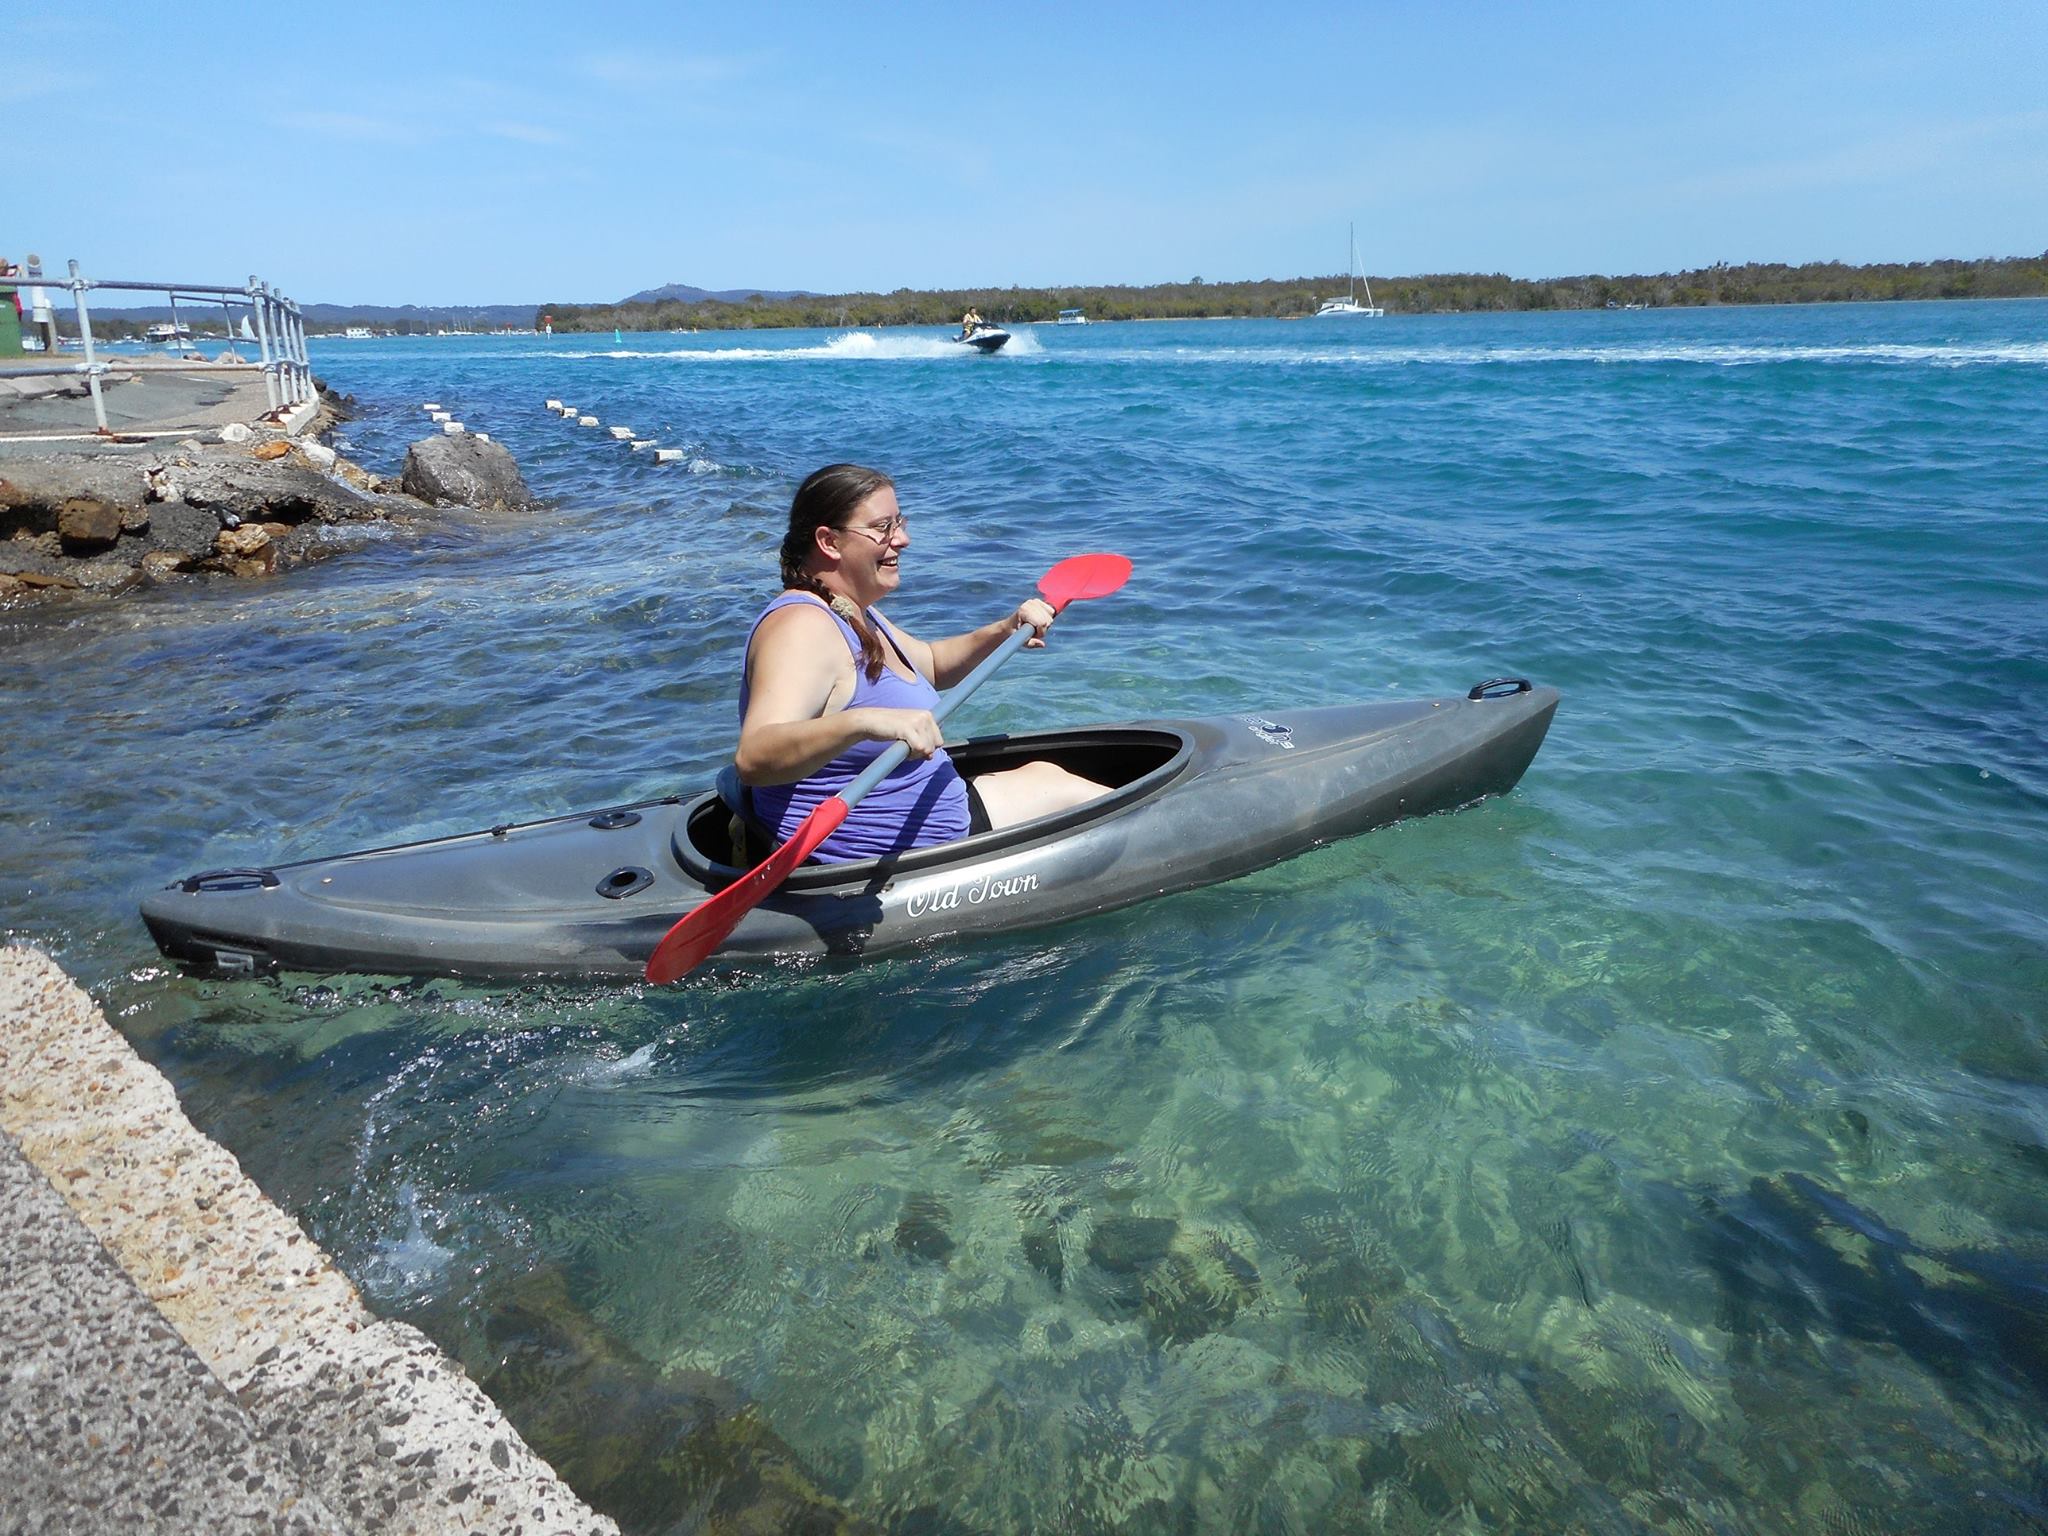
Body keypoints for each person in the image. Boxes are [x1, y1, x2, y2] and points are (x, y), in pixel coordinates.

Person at [735, 463, 1109, 863]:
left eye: (900, 522)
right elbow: (755, 757)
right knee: (1066, 791)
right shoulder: (803, 627)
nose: (903, 539)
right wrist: (867, 722)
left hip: (922, 815)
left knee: (1045, 774)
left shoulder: (850, 610)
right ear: (829, 541)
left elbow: (929, 664)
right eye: (882, 528)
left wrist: (1005, 629)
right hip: (873, 849)